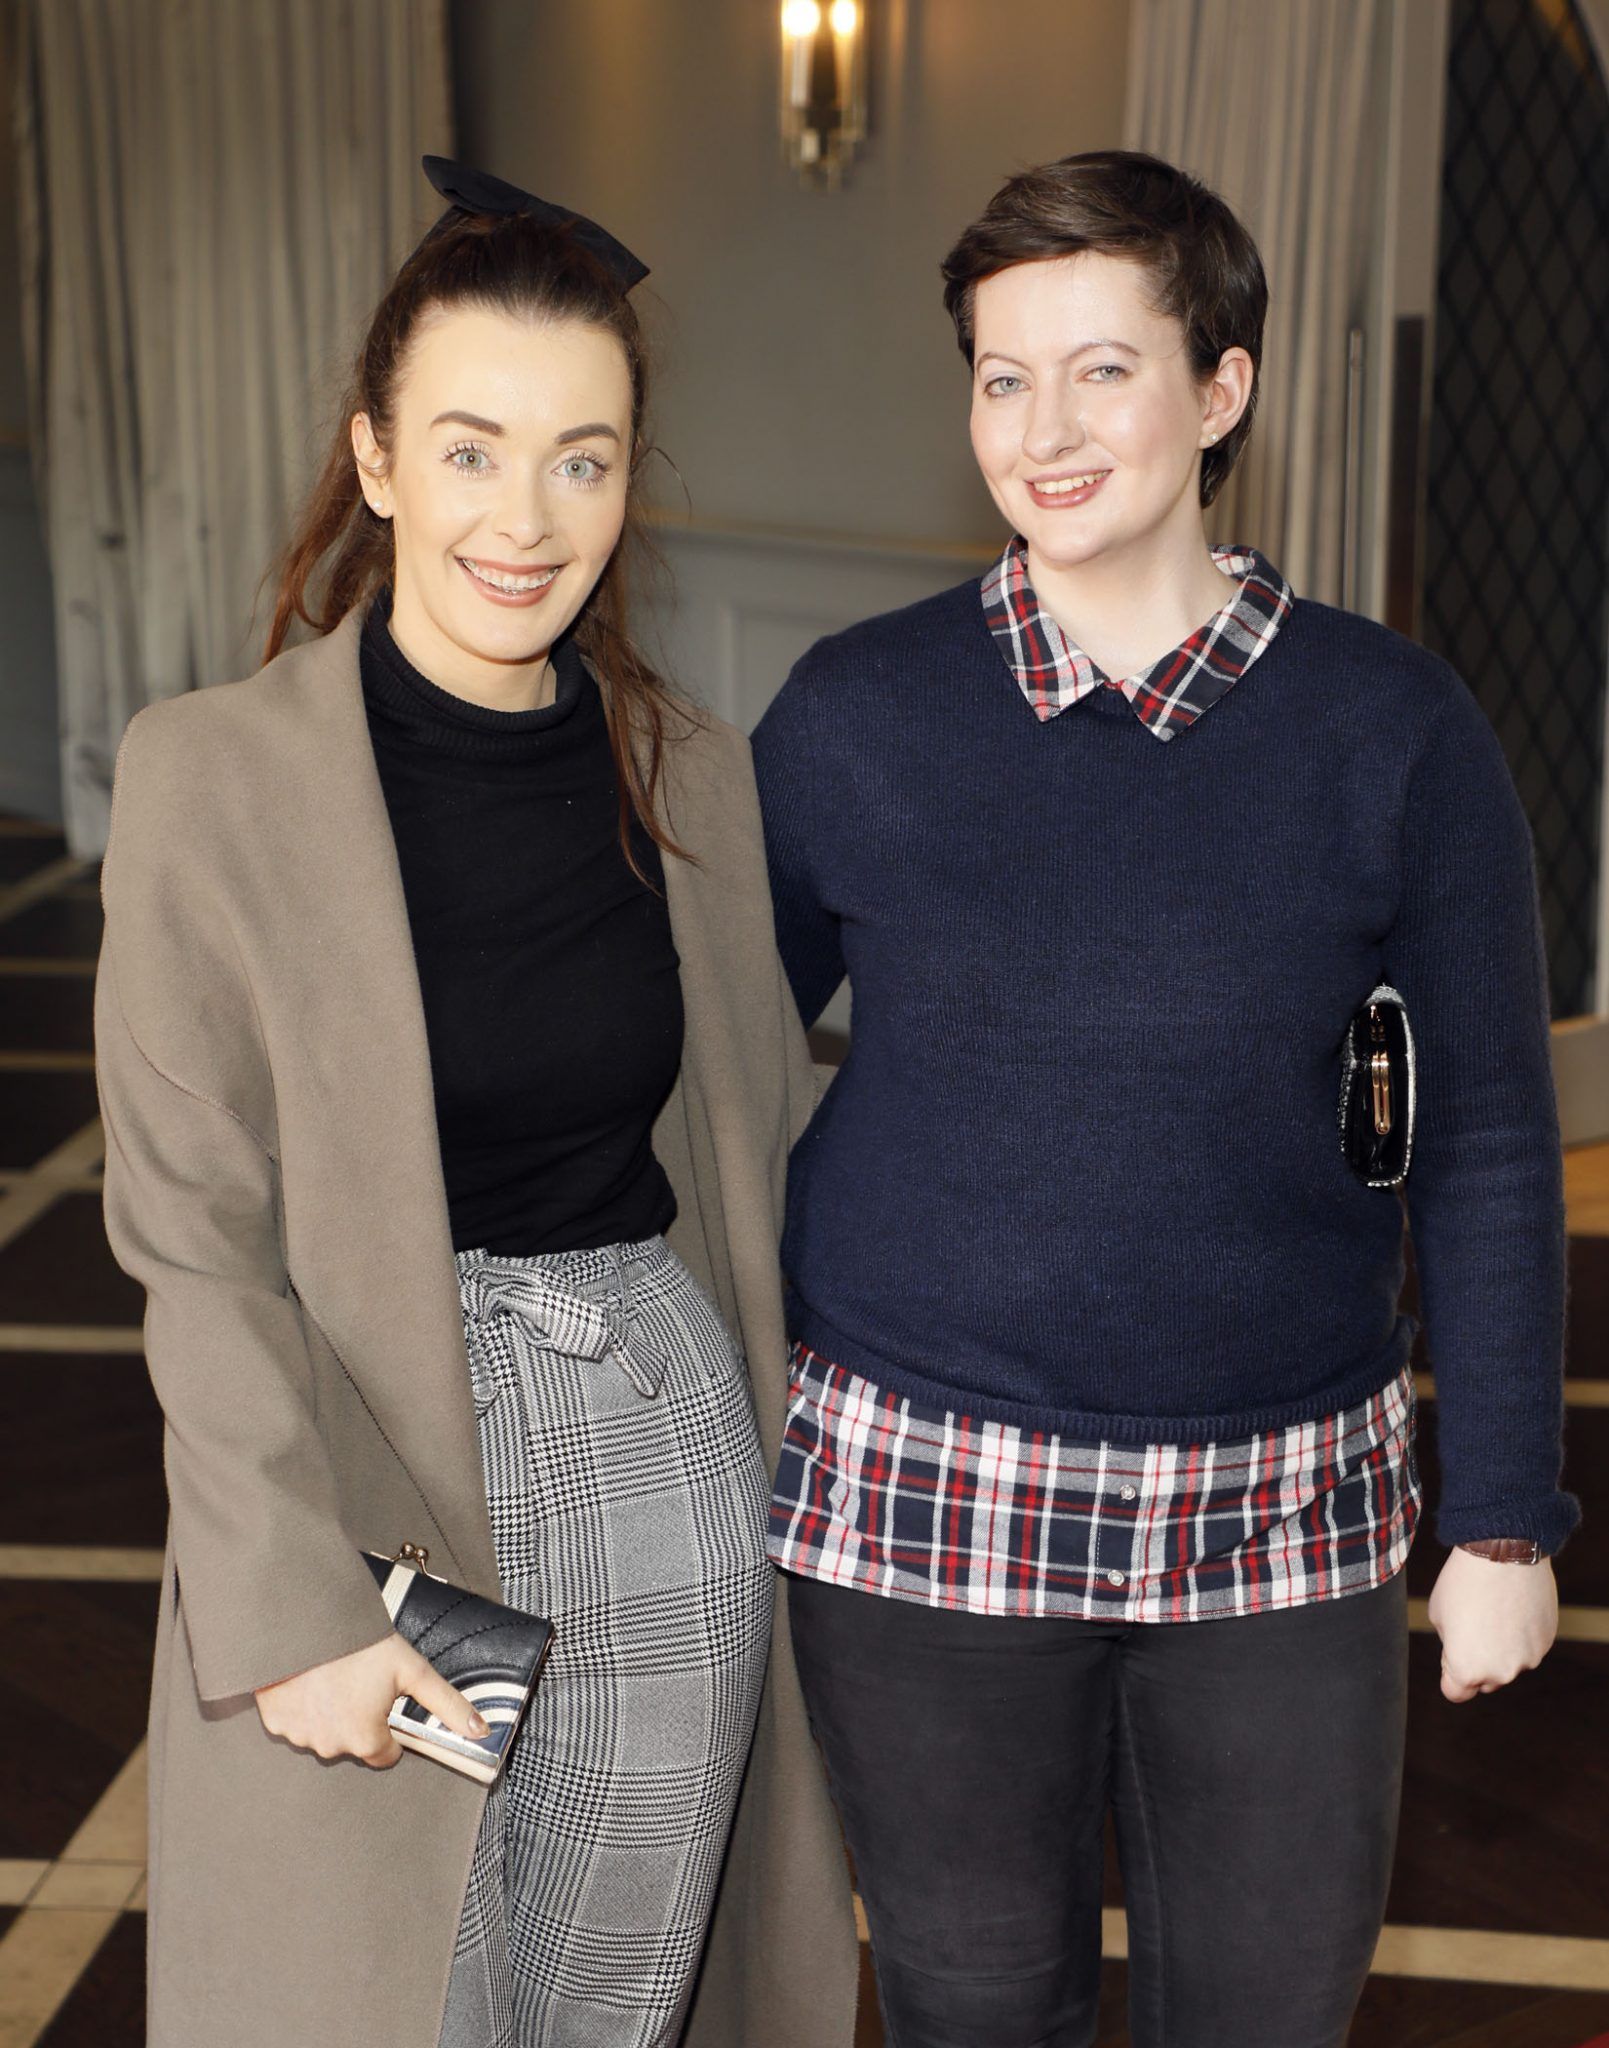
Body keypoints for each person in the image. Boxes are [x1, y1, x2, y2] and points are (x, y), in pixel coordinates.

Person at [751, 149, 1574, 2048]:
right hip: (922, 1492)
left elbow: (1485, 1144)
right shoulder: (853, 716)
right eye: (1000, 376)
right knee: (973, 2011)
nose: (1041, 431)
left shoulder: (1392, 730)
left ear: (1220, 389)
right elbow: (700, 1058)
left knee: (1269, 2012)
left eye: (1101, 370)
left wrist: (1501, 1521)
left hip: (1281, 1504)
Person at [95, 158, 857, 2048]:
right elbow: (194, 1240)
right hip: (369, 1469)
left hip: (655, 1456)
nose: (525, 519)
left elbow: (752, 1155)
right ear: (374, 459)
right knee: (384, 2003)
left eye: (581, 460)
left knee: (608, 2006)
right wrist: (290, 1606)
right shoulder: (213, 779)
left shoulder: (687, 772)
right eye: (469, 450)